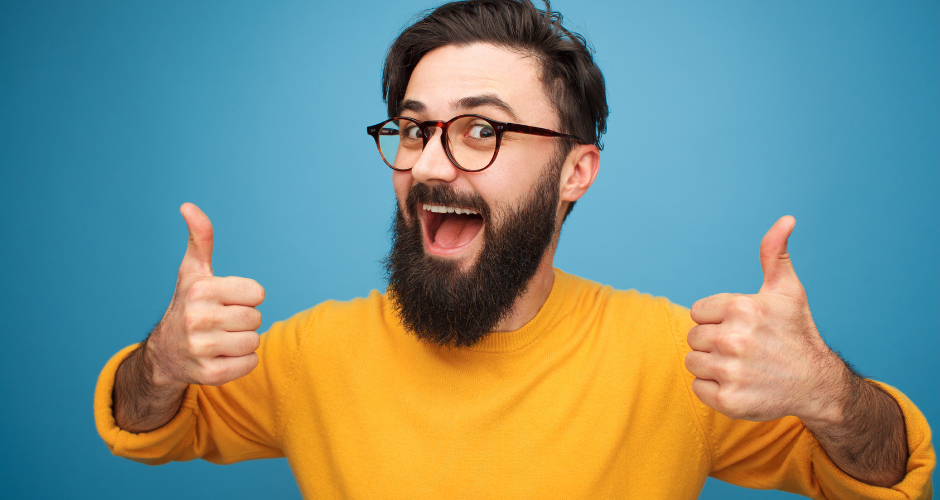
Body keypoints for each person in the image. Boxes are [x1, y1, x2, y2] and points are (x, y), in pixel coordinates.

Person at [94, 1, 934, 498]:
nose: (427, 164)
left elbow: (889, 475)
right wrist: (162, 361)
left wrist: (826, 391)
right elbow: (145, 425)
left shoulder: (676, 361)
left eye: (481, 130)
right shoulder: (313, 353)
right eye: (415, 129)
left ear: (576, 171)